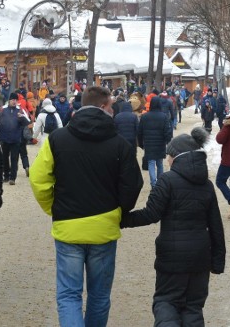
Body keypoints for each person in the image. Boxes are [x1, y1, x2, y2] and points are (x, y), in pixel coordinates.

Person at [30, 85, 143, 327]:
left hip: (68, 226)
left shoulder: (58, 139)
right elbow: (132, 184)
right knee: (99, 295)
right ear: (103, 106)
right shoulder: (120, 144)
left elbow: (39, 178)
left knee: (69, 294)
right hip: (104, 227)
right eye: (111, 105)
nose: (113, 109)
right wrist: (119, 211)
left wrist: (53, 207)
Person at [120, 129, 226, 327]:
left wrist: (121, 220)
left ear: (176, 157)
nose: (167, 159)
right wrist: (218, 260)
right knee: (193, 307)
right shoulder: (207, 185)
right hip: (200, 258)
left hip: (172, 257)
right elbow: (216, 225)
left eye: (168, 155)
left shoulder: (167, 180)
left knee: (166, 302)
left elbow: (151, 214)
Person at [138, 96, 174, 187]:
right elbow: (167, 131)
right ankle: (160, 183)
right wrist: (168, 142)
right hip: (160, 143)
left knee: (151, 163)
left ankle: (153, 183)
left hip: (149, 144)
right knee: (160, 163)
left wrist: (141, 144)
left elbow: (140, 132)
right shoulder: (164, 116)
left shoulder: (144, 116)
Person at [0, 94, 30, 185]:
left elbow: (27, 123)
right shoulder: (2, 110)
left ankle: (12, 178)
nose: (14, 101)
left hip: (16, 139)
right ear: (9, 101)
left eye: (15, 100)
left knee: (14, 158)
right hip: (4, 138)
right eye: (12, 100)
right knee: (4, 158)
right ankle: (6, 175)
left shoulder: (20, 110)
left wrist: (21, 117)